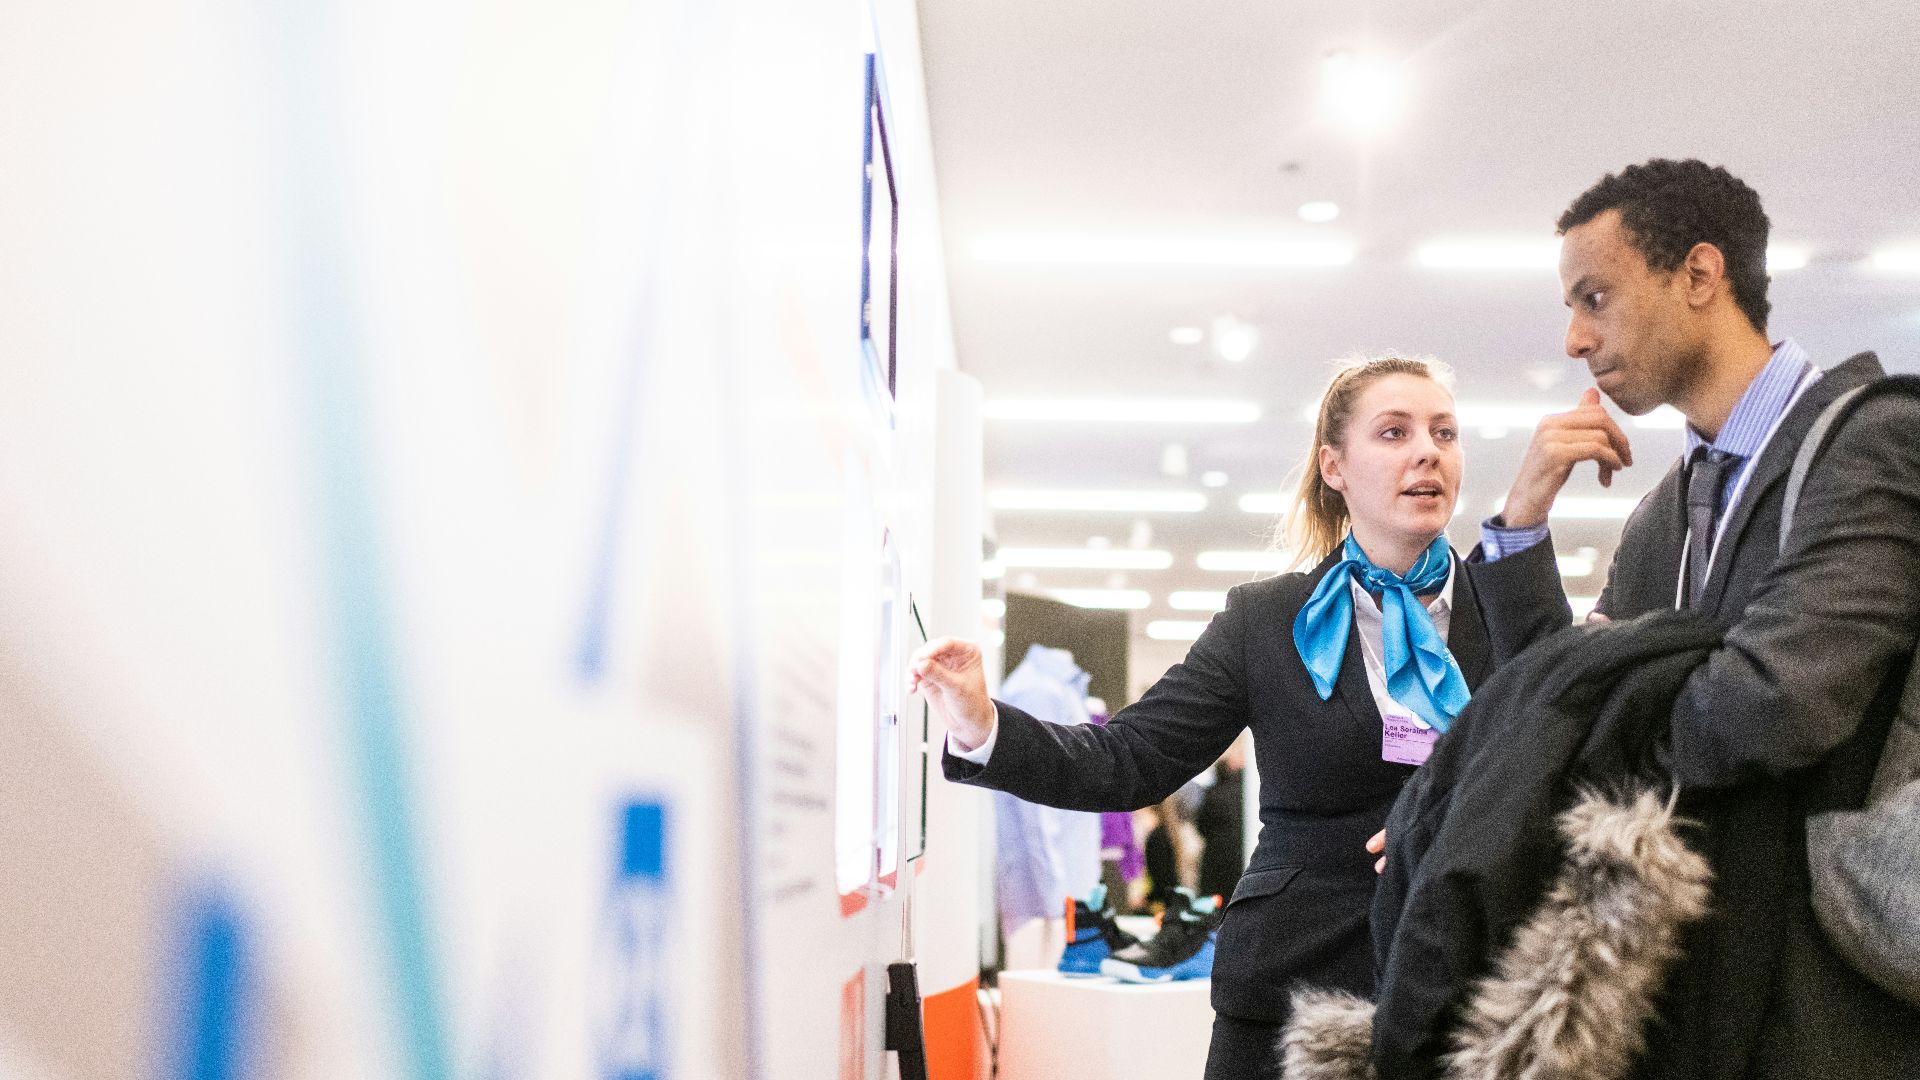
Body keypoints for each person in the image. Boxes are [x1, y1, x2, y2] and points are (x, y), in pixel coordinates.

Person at [909, 356, 1569, 1080]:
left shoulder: (1505, 604)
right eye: (1394, 432)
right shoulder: (1267, 620)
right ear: (1335, 466)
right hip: (1293, 986)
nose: (1427, 452)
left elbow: (1568, 759)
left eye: (1444, 433)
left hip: (1472, 986)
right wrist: (980, 722)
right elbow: (1131, 758)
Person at [1482, 158, 1920, 1077]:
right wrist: (1520, 529)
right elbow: (1562, 700)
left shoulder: (1870, 440)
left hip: (1832, 1013)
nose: (1575, 337)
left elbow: (1772, 704)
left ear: (1699, 274)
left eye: (1596, 297)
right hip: (1703, 1002)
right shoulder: (1667, 514)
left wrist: (1575, 743)